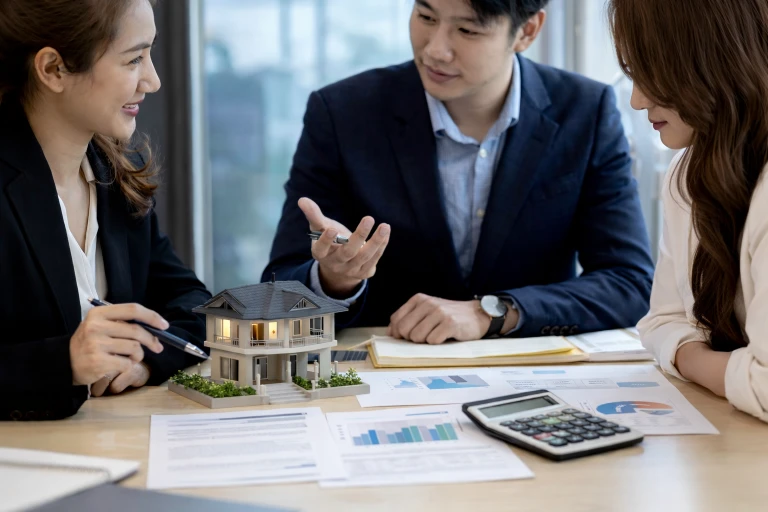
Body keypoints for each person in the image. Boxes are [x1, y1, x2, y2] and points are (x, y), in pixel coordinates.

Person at [265, 0, 653, 344]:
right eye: (425, 15)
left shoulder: (585, 111)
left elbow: (629, 283)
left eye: (467, 29)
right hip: (383, 379)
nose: (435, 49)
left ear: (527, 30)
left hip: (532, 378)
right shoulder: (343, 113)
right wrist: (334, 280)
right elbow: (278, 285)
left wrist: (494, 312)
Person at [0, 0, 211, 421]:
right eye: (133, 59)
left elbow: (194, 305)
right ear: (53, 70)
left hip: (103, 449)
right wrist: (66, 362)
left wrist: (145, 361)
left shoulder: (114, 177)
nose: (152, 80)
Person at [609, 0, 768, 422]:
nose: (637, 100)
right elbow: (661, 320)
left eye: (650, 72)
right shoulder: (689, 171)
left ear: (711, 60)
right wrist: (727, 367)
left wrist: (692, 358)